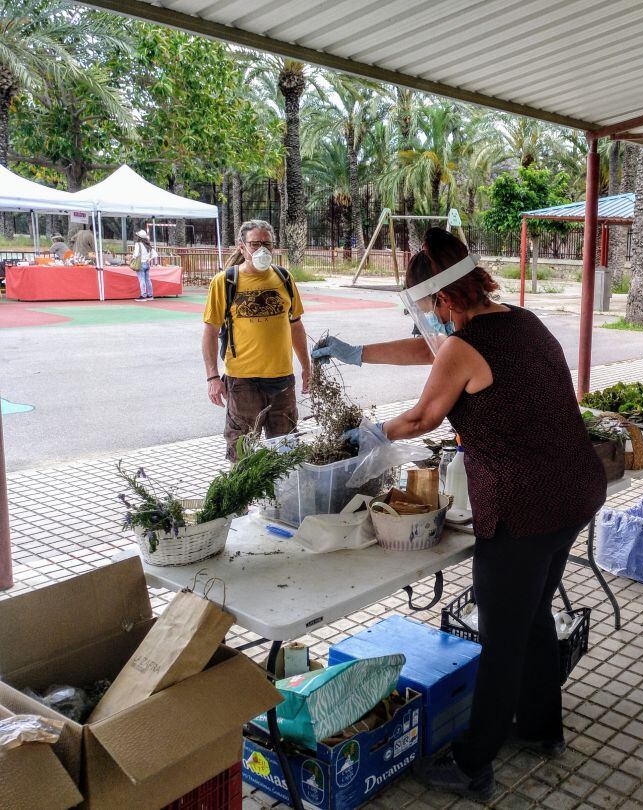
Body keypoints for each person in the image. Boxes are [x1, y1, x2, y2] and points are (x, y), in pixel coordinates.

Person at [311, 228, 606, 801]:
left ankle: (473, 763)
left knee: (500, 637)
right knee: (535, 613)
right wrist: (358, 353)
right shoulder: (518, 321)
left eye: (427, 308)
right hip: (573, 489)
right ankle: (541, 728)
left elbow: (422, 417)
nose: (427, 319)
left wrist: (372, 435)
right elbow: (433, 348)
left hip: (525, 506)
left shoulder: (463, 345)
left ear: (445, 300)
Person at [202, 219, 310, 461]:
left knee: (286, 451)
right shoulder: (224, 282)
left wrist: (306, 367)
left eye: (267, 244)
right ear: (242, 248)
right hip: (243, 381)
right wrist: (212, 377)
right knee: (241, 453)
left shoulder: (284, 278)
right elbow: (210, 331)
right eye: (255, 244)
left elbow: (296, 325)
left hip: (282, 380)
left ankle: (283, 498)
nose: (261, 250)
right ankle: (243, 498)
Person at [130, 229, 158, 300]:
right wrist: (149, 259)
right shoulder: (148, 245)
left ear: (139, 237)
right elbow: (155, 254)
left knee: (141, 280)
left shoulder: (138, 244)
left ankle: (143, 295)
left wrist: (132, 258)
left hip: (140, 264)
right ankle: (150, 295)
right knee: (148, 280)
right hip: (147, 264)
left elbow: (136, 254)